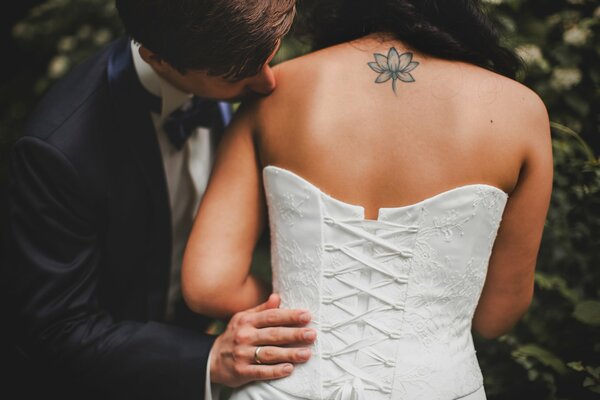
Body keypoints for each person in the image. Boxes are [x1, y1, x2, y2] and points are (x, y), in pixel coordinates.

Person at [181, 0, 554, 399]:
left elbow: (210, 286)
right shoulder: (520, 111)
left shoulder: (274, 92)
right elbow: (496, 316)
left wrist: (301, 295)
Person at [0, 1, 318, 399]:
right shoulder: (57, 152)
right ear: (157, 59)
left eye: (269, 58)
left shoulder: (211, 56)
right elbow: (57, 329)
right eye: (240, 75)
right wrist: (208, 358)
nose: (268, 83)